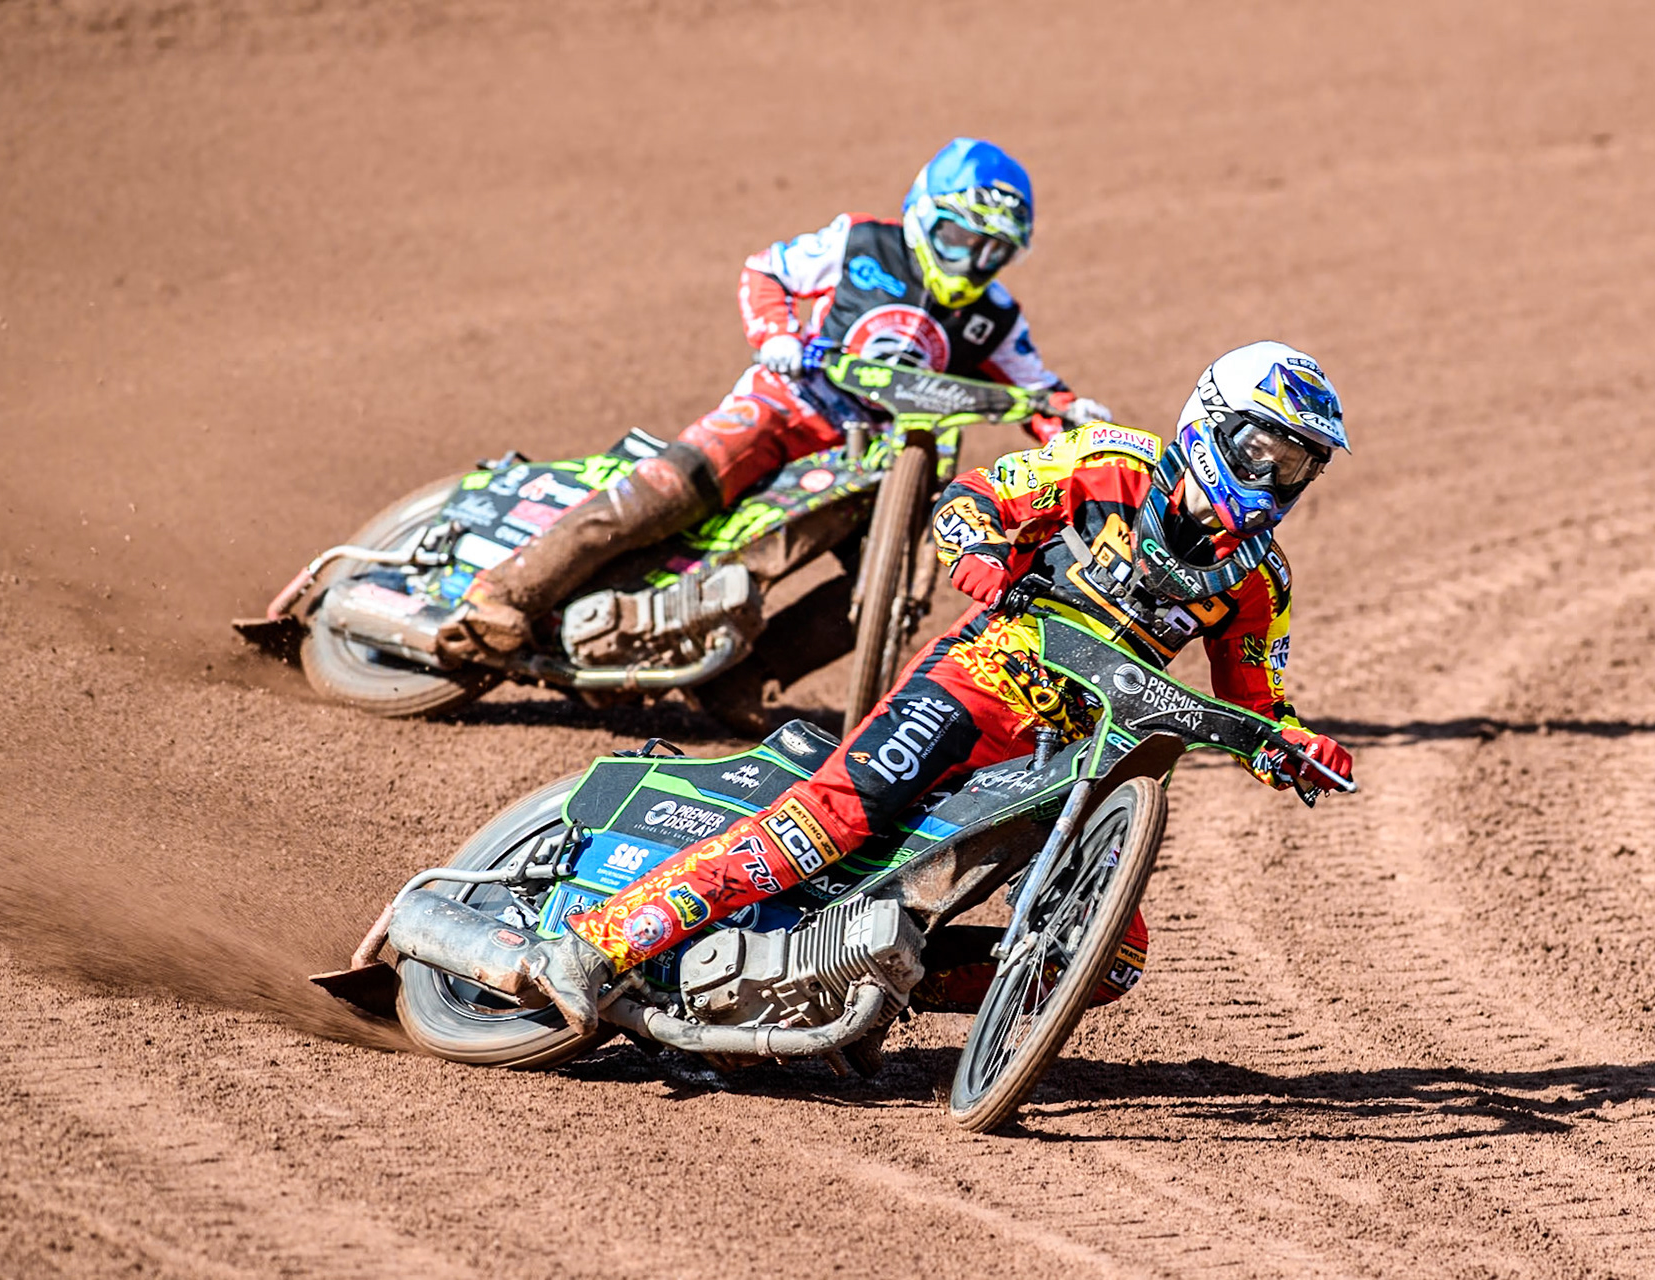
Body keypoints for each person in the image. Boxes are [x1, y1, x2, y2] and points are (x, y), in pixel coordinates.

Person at [516, 341, 1356, 1034]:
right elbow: (977, 500)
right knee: (829, 823)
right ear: (1212, 424)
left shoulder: (1262, 584)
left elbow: (1255, 706)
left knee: (1109, 956)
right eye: (1262, 451)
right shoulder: (1111, 465)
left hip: (1084, 757)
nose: (1274, 480)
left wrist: (1291, 750)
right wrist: (981, 553)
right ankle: (594, 948)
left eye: (1296, 468)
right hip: (982, 684)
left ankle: (870, 983)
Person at [436, 138, 1112, 663]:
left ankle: (743, 682)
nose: (970, 261)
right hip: (789, 401)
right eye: (959, 239)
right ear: (922, 215)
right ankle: (502, 595)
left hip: (881, 458)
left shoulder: (995, 317)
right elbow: (766, 270)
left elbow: (1035, 393)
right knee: (671, 488)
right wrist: (778, 335)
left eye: (990, 250)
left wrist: (1078, 424)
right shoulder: (860, 242)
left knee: (893, 584)